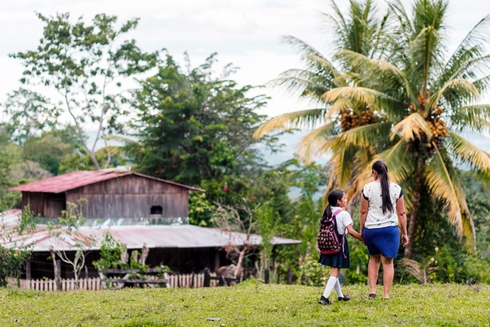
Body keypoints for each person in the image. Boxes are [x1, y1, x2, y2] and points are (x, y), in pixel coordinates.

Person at [360, 160, 409, 299]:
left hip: (372, 230)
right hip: (390, 230)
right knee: (388, 262)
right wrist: (405, 233)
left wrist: (362, 230)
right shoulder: (396, 189)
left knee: (373, 259)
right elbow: (401, 213)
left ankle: (372, 291)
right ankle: (386, 295)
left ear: (374, 173)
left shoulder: (367, 188)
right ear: (387, 172)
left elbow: (363, 212)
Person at [318, 189, 364, 305]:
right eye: (344, 198)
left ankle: (340, 296)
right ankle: (324, 297)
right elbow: (351, 231)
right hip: (339, 244)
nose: (346, 200)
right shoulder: (344, 214)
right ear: (338, 201)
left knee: (335, 270)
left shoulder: (328, 212)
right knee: (335, 272)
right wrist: (362, 238)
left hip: (328, 245)